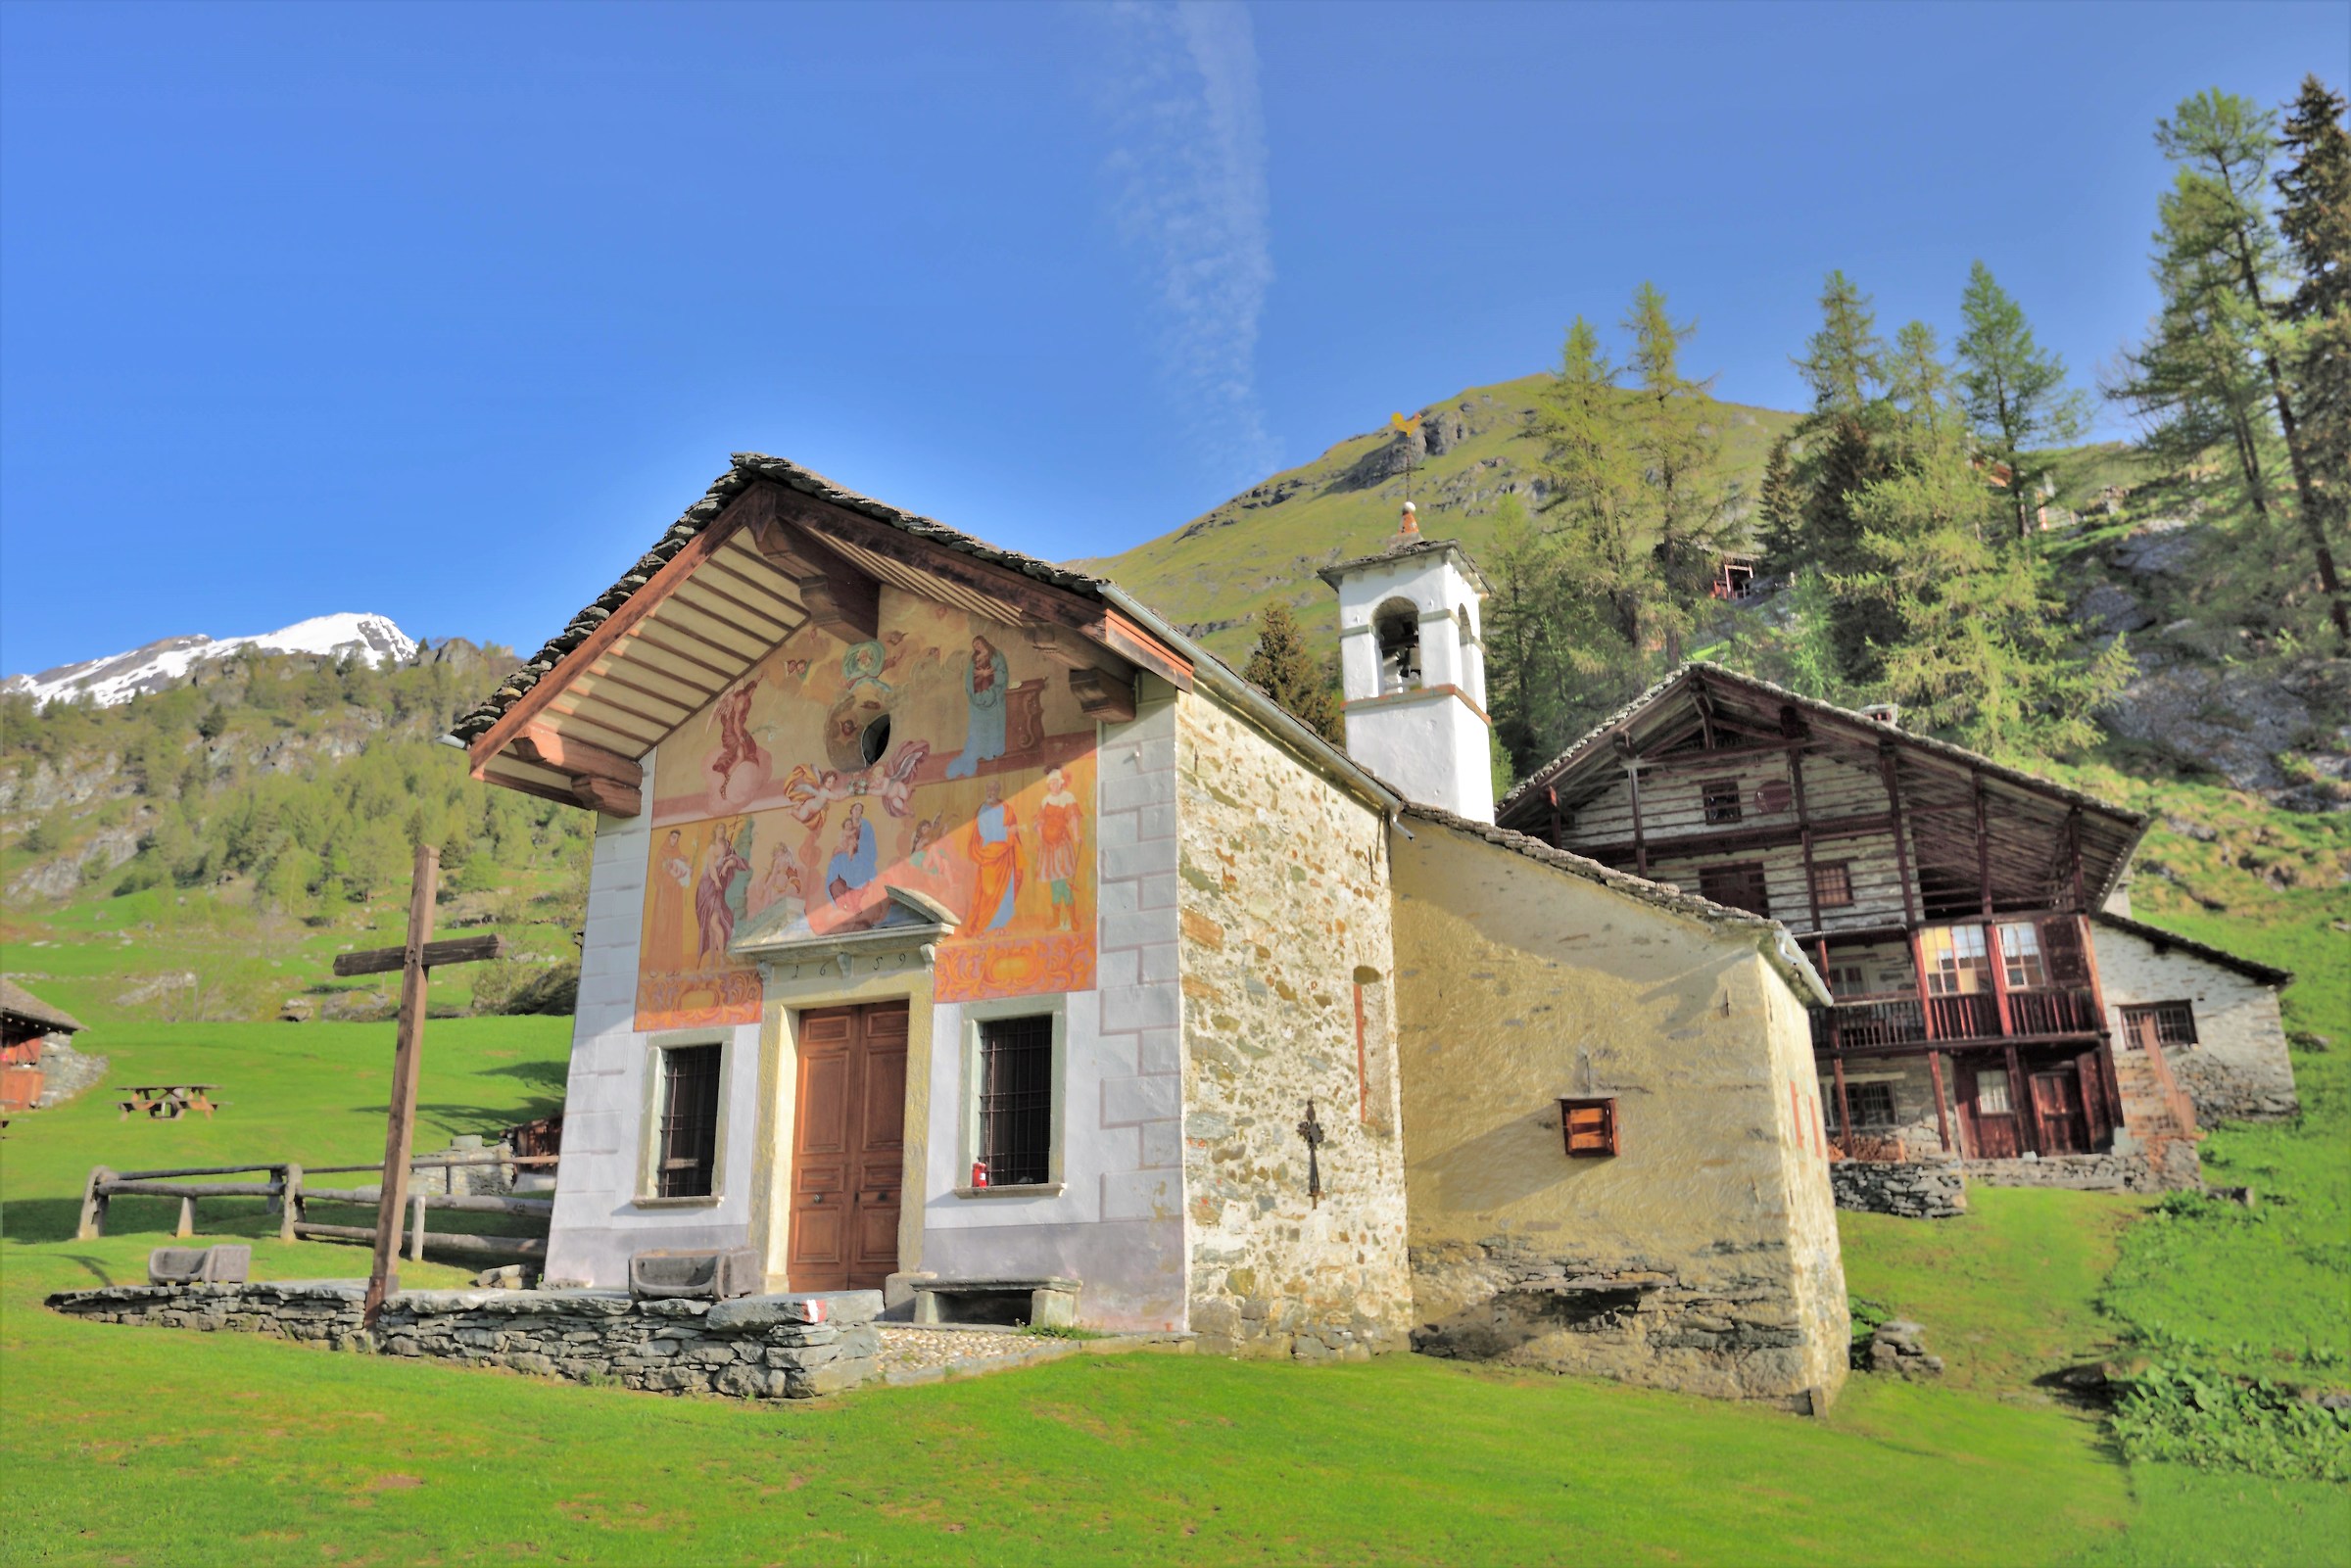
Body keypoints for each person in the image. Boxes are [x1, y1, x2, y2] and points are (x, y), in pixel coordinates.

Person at [943, 636, 1009, 779]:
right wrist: (978, 686)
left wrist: (988, 675)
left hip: (994, 698)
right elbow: (969, 680)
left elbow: (1003, 675)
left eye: (978, 643)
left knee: (994, 726)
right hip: (979, 700)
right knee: (979, 728)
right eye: (975, 646)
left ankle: (994, 752)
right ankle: (981, 754)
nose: (977, 647)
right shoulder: (974, 661)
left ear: (984, 641)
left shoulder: (996, 656)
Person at [967, 778, 1023, 930]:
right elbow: (985, 832)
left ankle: (1001, 925)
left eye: (994, 789)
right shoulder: (983, 810)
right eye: (989, 789)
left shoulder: (1006, 808)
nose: (991, 792)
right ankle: (986, 924)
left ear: (998, 791)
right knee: (988, 891)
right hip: (989, 854)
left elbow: (1013, 829)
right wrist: (1007, 832)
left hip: (1005, 857)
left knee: (1005, 891)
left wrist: (1012, 833)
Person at [1035, 767, 1083, 931]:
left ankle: (1071, 918)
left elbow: (1074, 818)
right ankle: (1059, 919)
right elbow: (1040, 822)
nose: (1053, 786)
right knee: (1055, 882)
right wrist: (1041, 838)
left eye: (1056, 782)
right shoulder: (1045, 800)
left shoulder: (1068, 798)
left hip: (1062, 844)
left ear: (1061, 783)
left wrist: (1077, 835)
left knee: (1060, 880)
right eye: (1051, 783)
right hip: (1048, 847)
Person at [825, 802, 878, 905]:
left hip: (860, 852)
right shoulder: (848, 823)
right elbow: (843, 837)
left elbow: (869, 842)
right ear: (851, 811)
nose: (857, 812)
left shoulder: (865, 825)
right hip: (846, 849)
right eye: (855, 809)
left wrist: (858, 844)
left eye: (859, 810)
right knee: (836, 860)